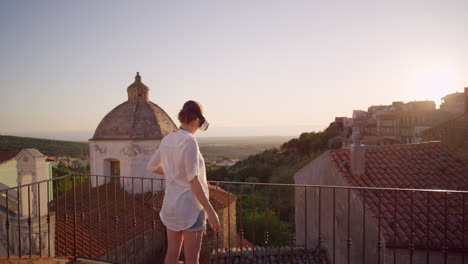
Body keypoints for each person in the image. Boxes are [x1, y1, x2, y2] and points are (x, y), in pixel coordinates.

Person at [147, 100, 220, 264]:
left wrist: (173, 171)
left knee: (172, 254)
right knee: (192, 258)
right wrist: (211, 212)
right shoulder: (189, 141)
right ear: (196, 120)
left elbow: (151, 166)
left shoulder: (167, 139)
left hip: (171, 205)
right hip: (190, 208)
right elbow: (193, 181)